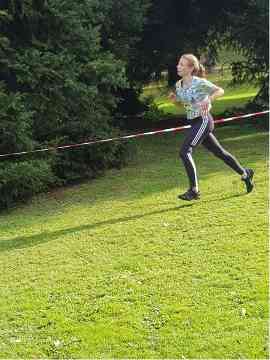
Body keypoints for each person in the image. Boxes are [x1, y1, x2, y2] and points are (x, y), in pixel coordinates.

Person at [169, 53, 254, 201]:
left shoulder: (199, 82)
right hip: (194, 122)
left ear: (190, 68)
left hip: (203, 120)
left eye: (182, 64)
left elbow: (220, 90)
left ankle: (194, 190)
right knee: (219, 152)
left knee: (185, 151)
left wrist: (209, 99)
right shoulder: (178, 85)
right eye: (178, 63)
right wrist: (175, 100)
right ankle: (245, 173)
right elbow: (184, 103)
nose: (178, 66)